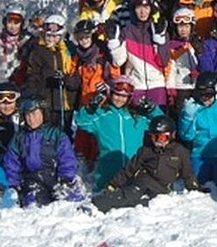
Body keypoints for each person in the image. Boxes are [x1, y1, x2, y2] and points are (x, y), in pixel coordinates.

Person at [91, 115, 205, 213]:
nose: (159, 141)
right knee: (131, 194)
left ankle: (138, 203)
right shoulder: (146, 150)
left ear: (172, 136)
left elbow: (188, 173)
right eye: (155, 137)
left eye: (163, 137)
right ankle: (98, 203)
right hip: (143, 182)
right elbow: (129, 169)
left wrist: (195, 188)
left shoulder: (180, 152)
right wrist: (113, 184)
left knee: (152, 202)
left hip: (161, 188)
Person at [73, 76, 163, 191]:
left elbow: (160, 123)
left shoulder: (136, 117)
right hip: (108, 172)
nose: (120, 99)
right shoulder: (102, 115)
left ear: (129, 98)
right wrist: (90, 109)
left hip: (133, 170)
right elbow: (81, 122)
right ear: (110, 94)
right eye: (117, 95)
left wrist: (152, 110)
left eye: (124, 97)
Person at [2, 97, 83, 207]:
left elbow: (67, 158)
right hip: (33, 180)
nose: (31, 119)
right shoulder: (19, 138)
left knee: (69, 205)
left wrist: (66, 177)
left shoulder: (56, 135)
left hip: (57, 177)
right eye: (28, 115)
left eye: (35, 114)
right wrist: (13, 185)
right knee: (34, 206)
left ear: (43, 113)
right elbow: (11, 163)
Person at [106, 0, 171, 106]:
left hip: (157, 85)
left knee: (159, 121)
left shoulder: (158, 29)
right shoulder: (127, 31)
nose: (142, 12)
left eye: (146, 7)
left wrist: (160, 41)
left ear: (151, 9)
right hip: (136, 86)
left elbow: (163, 61)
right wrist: (113, 43)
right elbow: (118, 62)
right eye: (139, 7)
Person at [70, 19, 120, 162]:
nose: (83, 40)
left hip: (102, 102)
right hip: (85, 102)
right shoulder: (79, 56)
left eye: (86, 36)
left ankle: (98, 164)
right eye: (80, 37)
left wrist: (107, 86)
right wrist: (69, 79)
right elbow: (72, 73)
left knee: (98, 137)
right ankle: (82, 166)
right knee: (83, 137)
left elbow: (115, 76)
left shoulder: (102, 54)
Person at [21, 13, 78, 137]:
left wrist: (67, 80)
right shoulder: (39, 50)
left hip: (66, 100)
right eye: (49, 36)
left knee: (64, 132)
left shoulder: (69, 51)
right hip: (46, 99)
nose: (51, 39)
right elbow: (33, 75)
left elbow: (76, 75)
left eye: (55, 36)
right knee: (47, 131)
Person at [0, 4, 31, 109]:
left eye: (16, 23)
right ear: (5, 22)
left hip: (21, 87)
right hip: (2, 87)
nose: (13, 26)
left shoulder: (27, 41)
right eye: (9, 22)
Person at [165, 7, 204, 117]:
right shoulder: (173, 46)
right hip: (181, 87)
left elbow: (204, 62)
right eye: (180, 26)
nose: (183, 30)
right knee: (182, 114)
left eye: (186, 26)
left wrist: (199, 71)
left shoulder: (198, 43)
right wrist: (170, 88)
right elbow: (170, 69)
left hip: (196, 86)